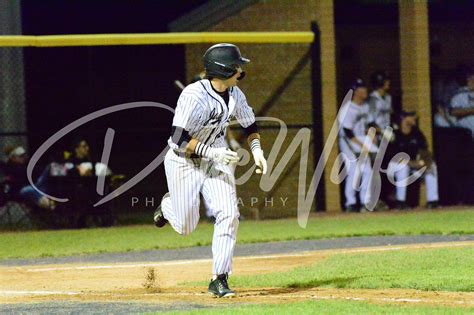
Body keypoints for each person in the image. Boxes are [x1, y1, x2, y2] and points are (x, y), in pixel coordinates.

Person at [153, 43, 267, 298]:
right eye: (237, 66)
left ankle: (219, 277)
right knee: (185, 226)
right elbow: (177, 139)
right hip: (184, 161)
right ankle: (167, 205)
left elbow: (250, 125)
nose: (241, 70)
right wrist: (211, 151)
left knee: (229, 214)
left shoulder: (235, 93)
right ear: (223, 69)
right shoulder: (193, 95)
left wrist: (257, 150)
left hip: (216, 160)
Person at [338, 79, 379, 212]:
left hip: (361, 139)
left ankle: (365, 202)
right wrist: (363, 146)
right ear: (355, 92)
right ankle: (350, 203)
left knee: (367, 171)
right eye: (362, 89)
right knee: (354, 171)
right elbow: (348, 133)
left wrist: (371, 136)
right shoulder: (347, 108)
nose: (365, 91)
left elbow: (370, 124)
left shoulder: (365, 106)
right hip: (348, 142)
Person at [387, 111, 439, 209]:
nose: (414, 118)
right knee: (403, 167)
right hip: (393, 166)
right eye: (411, 116)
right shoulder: (394, 133)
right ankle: (400, 202)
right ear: (403, 119)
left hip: (412, 165)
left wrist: (425, 162)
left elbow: (425, 150)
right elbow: (392, 156)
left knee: (431, 166)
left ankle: (433, 201)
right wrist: (412, 163)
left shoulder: (417, 132)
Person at [449, 68, 474, 138]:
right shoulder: (460, 94)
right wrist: (472, 110)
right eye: (470, 78)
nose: (472, 80)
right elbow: (453, 112)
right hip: (466, 128)